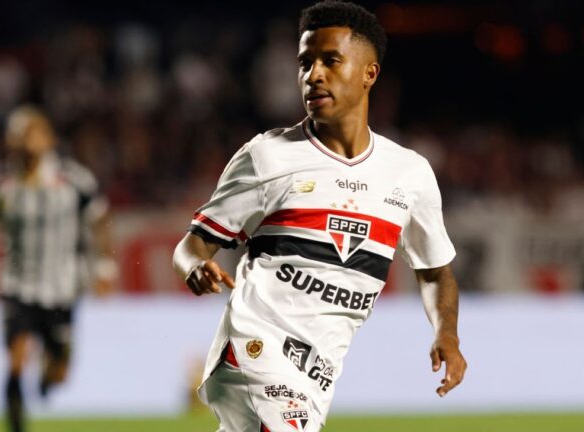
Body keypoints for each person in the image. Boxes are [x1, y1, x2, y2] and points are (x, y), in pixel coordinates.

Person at [172, 1, 467, 431]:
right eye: (305, 62)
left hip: (316, 375)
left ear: (369, 74)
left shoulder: (410, 174)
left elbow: (436, 272)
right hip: (253, 352)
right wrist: (195, 266)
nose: (313, 75)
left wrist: (447, 334)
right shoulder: (267, 157)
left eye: (330, 61)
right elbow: (193, 243)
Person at [0, 105, 117, 432]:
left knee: (59, 374)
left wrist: (104, 268)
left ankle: (48, 374)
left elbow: (100, 222)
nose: (25, 141)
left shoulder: (74, 180)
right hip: (16, 285)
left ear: (49, 139)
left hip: (62, 287)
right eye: (18, 134)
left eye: (32, 133)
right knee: (16, 359)